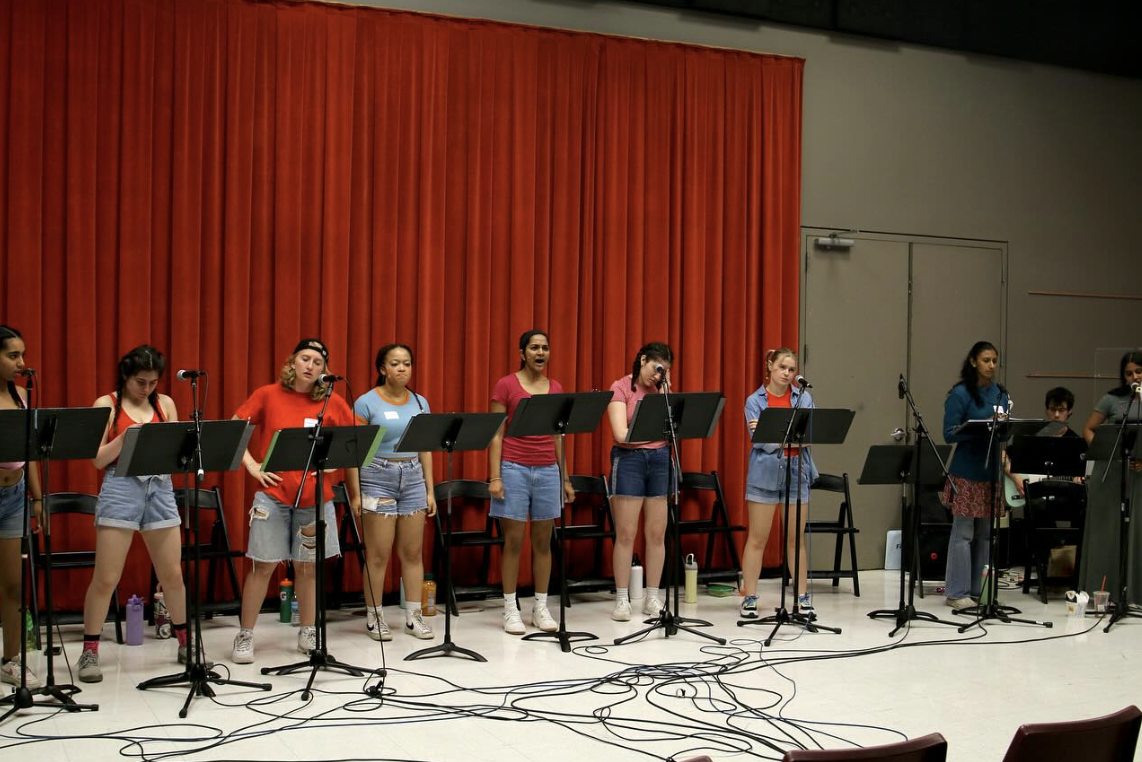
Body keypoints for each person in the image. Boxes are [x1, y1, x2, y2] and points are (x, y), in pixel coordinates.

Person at [230, 339, 360, 663]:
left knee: (307, 568)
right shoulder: (268, 394)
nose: (310, 366)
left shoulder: (332, 401)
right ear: (292, 362)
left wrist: (335, 463)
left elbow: (354, 441)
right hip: (273, 495)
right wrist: (252, 465)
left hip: (314, 498)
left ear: (324, 370)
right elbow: (234, 427)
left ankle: (308, 631)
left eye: (317, 362)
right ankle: (245, 634)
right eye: (305, 359)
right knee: (262, 566)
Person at [78, 345, 187, 683]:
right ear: (126, 375)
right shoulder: (107, 404)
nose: (146, 389)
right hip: (120, 486)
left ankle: (186, 642)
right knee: (107, 577)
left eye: (153, 383)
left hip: (159, 486)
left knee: (172, 574)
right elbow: (97, 459)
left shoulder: (164, 404)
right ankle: (90, 651)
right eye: (141, 382)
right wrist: (126, 437)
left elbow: (177, 451)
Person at [487, 330, 574, 635]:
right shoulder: (506, 385)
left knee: (543, 542)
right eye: (534, 348)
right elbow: (496, 433)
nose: (540, 353)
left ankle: (540, 606)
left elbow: (558, 436)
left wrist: (564, 478)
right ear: (522, 353)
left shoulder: (556, 387)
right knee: (513, 541)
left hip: (547, 469)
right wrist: (495, 476)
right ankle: (510, 608)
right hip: (513, 468)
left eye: (545, 348)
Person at [352, 344, 436, 641]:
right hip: (377, 476)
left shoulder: (420, 402)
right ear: (382, 369)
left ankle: (413, 617)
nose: (402, 368)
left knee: (412, 553)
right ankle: (374, 617)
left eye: (407, 363)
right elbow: (355, 451)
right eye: (395, 363)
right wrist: (356, 493)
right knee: (378, 554)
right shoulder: (366, 402)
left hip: (412, 476)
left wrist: (429, 489)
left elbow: (425, 447)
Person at [739, 348, 820, 619]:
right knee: (758, 538)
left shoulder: (803, 398)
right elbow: (759, 441)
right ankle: (750, 597)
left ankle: (802, 597)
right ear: (770, 366)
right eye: (782, 367)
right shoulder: (755, 400)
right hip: (764, 473)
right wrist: (788, 438)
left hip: (797, 471)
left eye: (792, 369)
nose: (787, 373)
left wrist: (774, 435)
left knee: (796, 539)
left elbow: (810, 437)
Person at [941, 340, 1009, 610]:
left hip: (990, 471)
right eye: (986, 360)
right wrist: (980, 428)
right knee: (964, 533)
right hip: (966, 472)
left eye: (994, 361)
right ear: (973, 362)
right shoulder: (960, 394)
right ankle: (956, 592)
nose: (991, 365)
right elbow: (949, 433)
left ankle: (980, 590)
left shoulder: (1000, 393)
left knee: (985, 534)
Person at [607, 342, 673, 622]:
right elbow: (621, 434)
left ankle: (652, 596)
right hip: (629, 460)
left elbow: (672, 429)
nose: (657, 376)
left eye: (663, 372)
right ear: (643, 360)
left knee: (656, 533)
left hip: (660, 459)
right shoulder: (621, 387)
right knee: (626, 532)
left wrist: (666, 392)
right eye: (656, 369)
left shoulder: (662, 393)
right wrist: (653, 435)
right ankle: (622, 598)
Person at [1078, 351, 1142, 602]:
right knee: (1108, 532)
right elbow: (1088, 428)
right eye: (1128, 373)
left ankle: (1135, 593)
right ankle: (1105, 591)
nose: (1134, 377)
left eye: (1139, 371)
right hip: (1112, 473)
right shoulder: (1112, 399)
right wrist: (1108, 452)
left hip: (1139, 475)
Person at [0, 326, 43, 688]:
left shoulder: (21, 397)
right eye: (12, 355)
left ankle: (11, 659)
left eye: (22, 355)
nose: (21, 362)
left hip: (14, 496)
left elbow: (31, 454)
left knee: (13, 585)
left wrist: (38, 498)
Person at [1004, 386, 1080, 499]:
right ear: (1046, 410)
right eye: (1053, 409)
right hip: (1035, 500)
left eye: (1061, 410)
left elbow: (1079, 473)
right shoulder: (1034, 437)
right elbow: (1002, 455)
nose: (1057, 415)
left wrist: (1077, 478)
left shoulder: (1075, 442)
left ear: (1069, 412)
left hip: (1063, 499)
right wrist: (1016, 478)